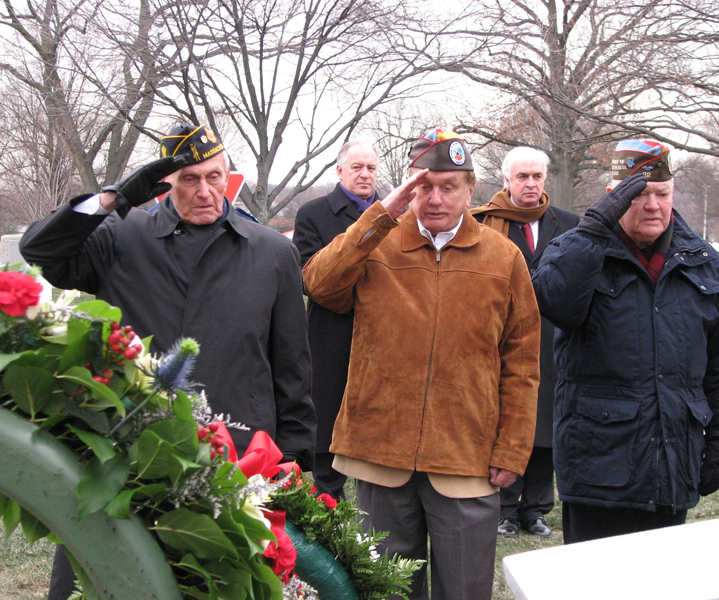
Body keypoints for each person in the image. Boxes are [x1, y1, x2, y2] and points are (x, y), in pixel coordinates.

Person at [20, 123, 316, 599]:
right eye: (189, 180)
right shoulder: (118, 238)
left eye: (214, 177)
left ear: (228, 176)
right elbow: (39, 250)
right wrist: (113, 199)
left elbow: (292, 374)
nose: (205, 192)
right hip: (127, 462)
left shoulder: (273, 252)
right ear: (165, 185)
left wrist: (298, 470)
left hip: (235, 467)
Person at [303, 129, 540, 600]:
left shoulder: (503, 257)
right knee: (387, 590)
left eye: (448, 186)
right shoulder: (377, 244)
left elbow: (522, 359)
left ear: (470, 189)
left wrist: (512, 448)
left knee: (465, 591)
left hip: (466, 456)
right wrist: (380, 217)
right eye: (422, 186)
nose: (434, 198)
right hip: (381, 452)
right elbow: (320, 285)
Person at [533, 139, 719, 544]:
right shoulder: (579, 249)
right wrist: (594, 229)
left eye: (662, 195)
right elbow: (555, 303)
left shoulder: (702, 260)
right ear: (615, 197)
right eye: (639, 195)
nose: (653, 206)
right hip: (600, 468)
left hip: (672, 462)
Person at [472, 146, 579, 539]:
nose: (530, 184)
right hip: (503, 336)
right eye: (522, 177)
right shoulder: (484, 224)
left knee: (545, 427)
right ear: (506, 180)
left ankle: (536, 510)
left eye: (536, 176)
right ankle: (505, 508)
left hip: (553, 338)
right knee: (508, 419)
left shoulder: (570, 224)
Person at [293, 140, 380, 500]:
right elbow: (309, 279)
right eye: (357, 167)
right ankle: (329, 505)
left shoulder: (402, 214)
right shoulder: (314, 214)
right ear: (340, 171)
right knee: (328, 434)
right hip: (332, 337)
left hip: (383, 340)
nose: (365, 174)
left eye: (371, 168)